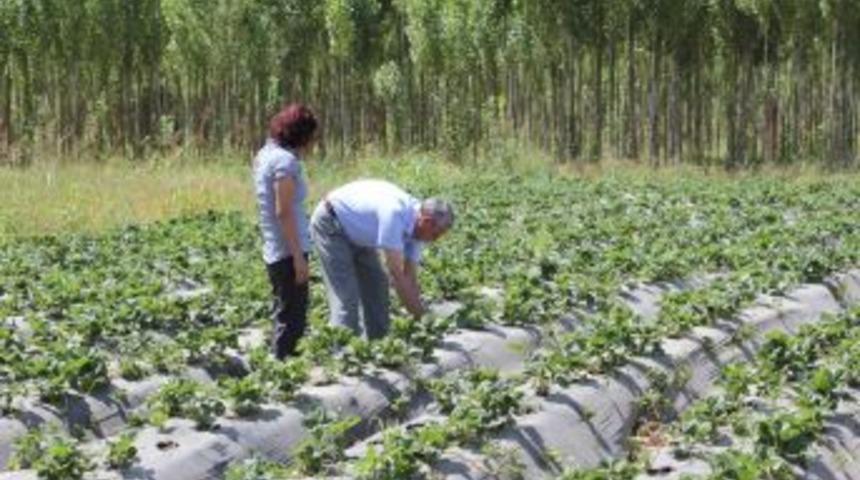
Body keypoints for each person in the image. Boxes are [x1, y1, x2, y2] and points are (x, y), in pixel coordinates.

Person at [310, 179, 454, 339]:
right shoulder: (394, 214)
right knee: (346, 297)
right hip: (331, 222)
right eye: (436, 234)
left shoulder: (420, 229)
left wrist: (425, 320)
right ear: (426, 221)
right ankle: (342, 356)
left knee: (377, 285)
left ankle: (377, 346)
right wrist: (422, 318)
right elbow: (397, 275)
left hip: (359, 233)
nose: (435, 240)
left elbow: (410, 278)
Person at [253, 103, 319, 359]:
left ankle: (278, 366)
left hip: (273, 247)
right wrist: (298, 257)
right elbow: (284, 210)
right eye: (311, 137)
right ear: (300, 134)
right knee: (292, 321)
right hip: (287, 250)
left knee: (283, 311)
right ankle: (283, 374)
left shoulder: (264, 154)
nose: (312, 143)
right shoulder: (285, 162)